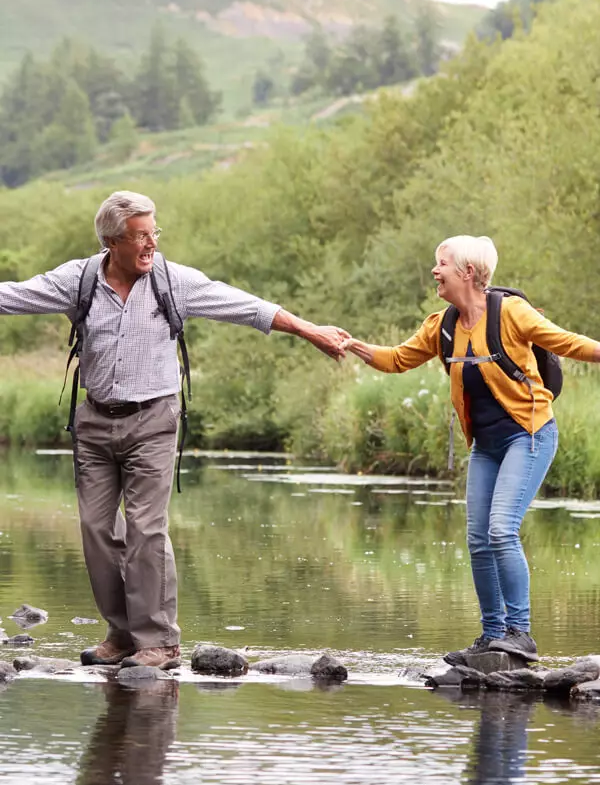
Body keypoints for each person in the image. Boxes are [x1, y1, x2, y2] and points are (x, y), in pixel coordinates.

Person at [0, 190, 350, 670]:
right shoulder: (77, 280)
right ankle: (122, 635)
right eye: (141, 236)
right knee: (96, 530)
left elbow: (244, 305)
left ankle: (160, 641)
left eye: (154, 233)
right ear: (111, 241)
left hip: (154, 422)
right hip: (95, 422)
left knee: (146, 528)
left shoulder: (173, 282)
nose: (151, 244)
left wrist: (312, 331)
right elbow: (11, 296)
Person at [341, 235, 600, 664]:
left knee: (501, 529)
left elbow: (567, 342)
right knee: (479, 540)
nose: (434, 271)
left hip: (529, 435)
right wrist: (353, 346)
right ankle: (492, 636)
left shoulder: (511, 313)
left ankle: (520, 634)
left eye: (440, 264)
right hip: (486, 445)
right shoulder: (441, 326)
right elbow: (397, 359)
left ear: (467, 272)